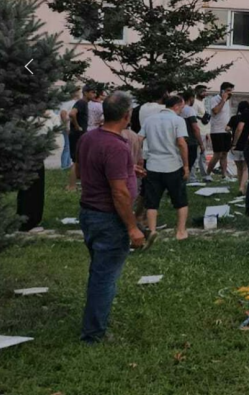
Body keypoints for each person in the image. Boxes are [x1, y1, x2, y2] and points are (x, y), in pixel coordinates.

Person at [75, 90, 146, 344]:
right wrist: (132, 227)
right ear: (127, 115)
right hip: (108, 219)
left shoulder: (89, 138)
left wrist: (128, 169)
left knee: (99, 270)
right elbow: (119, 192)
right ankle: (94, 333)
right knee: (104, 277)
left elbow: (85, 170)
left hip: (89, 213)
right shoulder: (116, 146)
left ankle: (95, 322)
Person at [141, 94, 191, 241]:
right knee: (180, 200)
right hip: (173, 165)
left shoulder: (150, 120)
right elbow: (181, 143)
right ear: (176, 106)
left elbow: (139, 139)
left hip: (153, 164)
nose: (182, 110)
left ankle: (152, 230)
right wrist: (186, 165)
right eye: (182, 107)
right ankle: (181, 231)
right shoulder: (178, 120)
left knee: (152, 202)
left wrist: (140, 158)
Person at [67, 84, 96, 191]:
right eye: (92, 92)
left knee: (80, 160)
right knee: (76, 160)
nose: (94, 94)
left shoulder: (84, 104)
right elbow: (72, 114)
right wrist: (77, 126)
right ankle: (71, 186)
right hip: (77, 135)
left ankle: (77, 183)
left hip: (79, 135)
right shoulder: (81, 103)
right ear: (85, 93)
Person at [206, 82, 236, 180]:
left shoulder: (228, 101)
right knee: (217, 154)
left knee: (225, 154)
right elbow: (215, 111)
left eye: (231, 91)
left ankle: (224, 175)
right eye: (228, 91)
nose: (230, 93)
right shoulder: (215, 99)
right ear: (222, 91)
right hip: (217, 131)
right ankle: (207, 174)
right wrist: (223, 100)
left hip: (226, 131)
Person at [180, 91, 206, 184]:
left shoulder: (178, 109)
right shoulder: (189, 110)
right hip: (190, 140)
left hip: (180, 139)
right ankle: (184, 180)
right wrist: (201, 143)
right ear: (191, 98)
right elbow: (195, 128)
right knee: (191, 161)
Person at [228, 101, 249, 195]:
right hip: (246, 145)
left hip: (236, 146)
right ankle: (242, 187)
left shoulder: (234, 118)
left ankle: (240, 187)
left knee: (239, 168)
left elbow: (227, 128)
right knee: (246, 168)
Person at [59, 90, 80, 170]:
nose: (79, 93)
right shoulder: (69, 103)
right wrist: (66, 126)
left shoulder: (74, 103)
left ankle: (68, 164)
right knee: (67, 146)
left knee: (70, 145)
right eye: (78, 92)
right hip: (67, 128)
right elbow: (63, 113)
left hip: (70, 127)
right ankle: (64, 165)